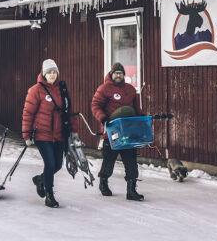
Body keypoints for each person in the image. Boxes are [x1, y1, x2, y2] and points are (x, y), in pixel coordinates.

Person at [21, 59, 78, 208]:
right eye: (49, 72)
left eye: (54, 72)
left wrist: (74, 131)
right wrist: (26, 134)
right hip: (42, 134)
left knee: (58, 165)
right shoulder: (35, 90)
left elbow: (69, 111)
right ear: (43, 74)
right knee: (50, 163)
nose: (52, 75)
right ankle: (49, 195)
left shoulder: (62, 89)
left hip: (59, 134)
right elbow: (28, 113)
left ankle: (41, 180)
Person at [91, 62, 144, 201]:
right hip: (112, 131)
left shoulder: (131, 89)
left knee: (131, 160)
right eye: (116, 73)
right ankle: (103, 183)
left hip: (128, 132)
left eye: (120, 73)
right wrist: (103, 118)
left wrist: (143, 119)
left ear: (124, 75)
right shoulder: (104, 89)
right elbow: (95, 106)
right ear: (111, 74)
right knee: (109, 159)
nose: (118, 75)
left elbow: (136, 109)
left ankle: (131, 190)